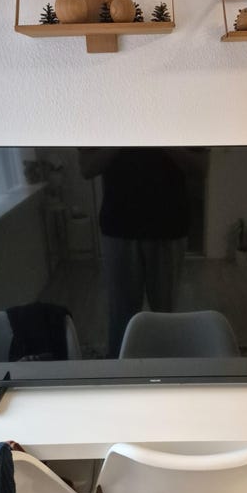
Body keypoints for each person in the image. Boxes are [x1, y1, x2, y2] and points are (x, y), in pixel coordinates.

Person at [80, 148, 190, 358]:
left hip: (168, 225)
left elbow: (201, 168)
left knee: (164, 315)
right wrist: (123, 139)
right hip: (120, 225)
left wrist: (160, 139)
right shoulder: (103, 124)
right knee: (122, 318)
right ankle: (121, 370)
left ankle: (164, 369)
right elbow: (86, 168)